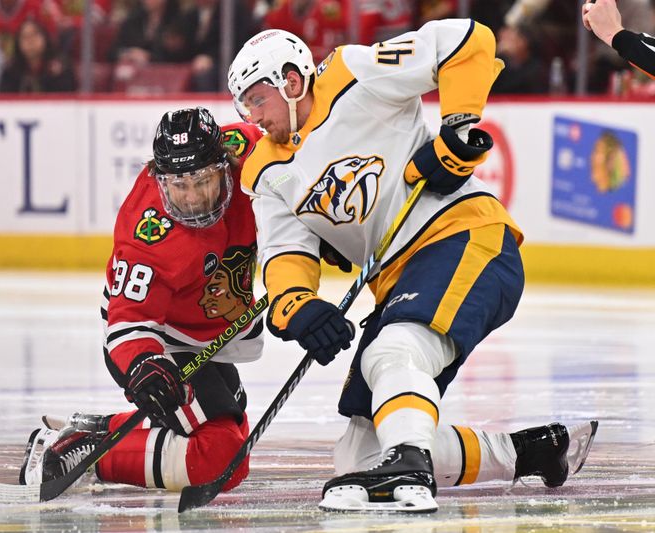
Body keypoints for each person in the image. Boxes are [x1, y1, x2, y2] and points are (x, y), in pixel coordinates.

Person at [227, 26, 597, 512]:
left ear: (292, 80)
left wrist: (458, 129)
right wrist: (298, 306)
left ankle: (408, 461)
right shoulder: (265, 170)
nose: (252, 116)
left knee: (394, 350)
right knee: (357, 455)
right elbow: (285, 252)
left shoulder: (351, 74)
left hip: (462, 235)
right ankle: (533, 451)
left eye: (258, 99)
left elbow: (467, 39)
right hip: (398, 278)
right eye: (243, 105)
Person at [19, 108, 267, 493]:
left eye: (202, 181)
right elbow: (127, 322)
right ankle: (76, 451)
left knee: (231, 434)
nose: (192, 199)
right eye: (177, 185)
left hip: (209, 332)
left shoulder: (247, 151)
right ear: (158, 177)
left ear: (224, 165)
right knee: (221, 460)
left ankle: (92, 430)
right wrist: (146, 364)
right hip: (161, 340)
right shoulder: (148, 237)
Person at [0, 18, 76, 93]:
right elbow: (3, 100)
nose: (30, 41)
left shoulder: (60, 66)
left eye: (35, 34)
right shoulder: (11, 70)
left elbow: (66, 99)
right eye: (24, 37)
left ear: (45, 37)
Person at [583, 0, 655, 79]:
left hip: (626, 65)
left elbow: (643, 40)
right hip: (602, 62)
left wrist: (615, 34)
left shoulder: (638, 4)